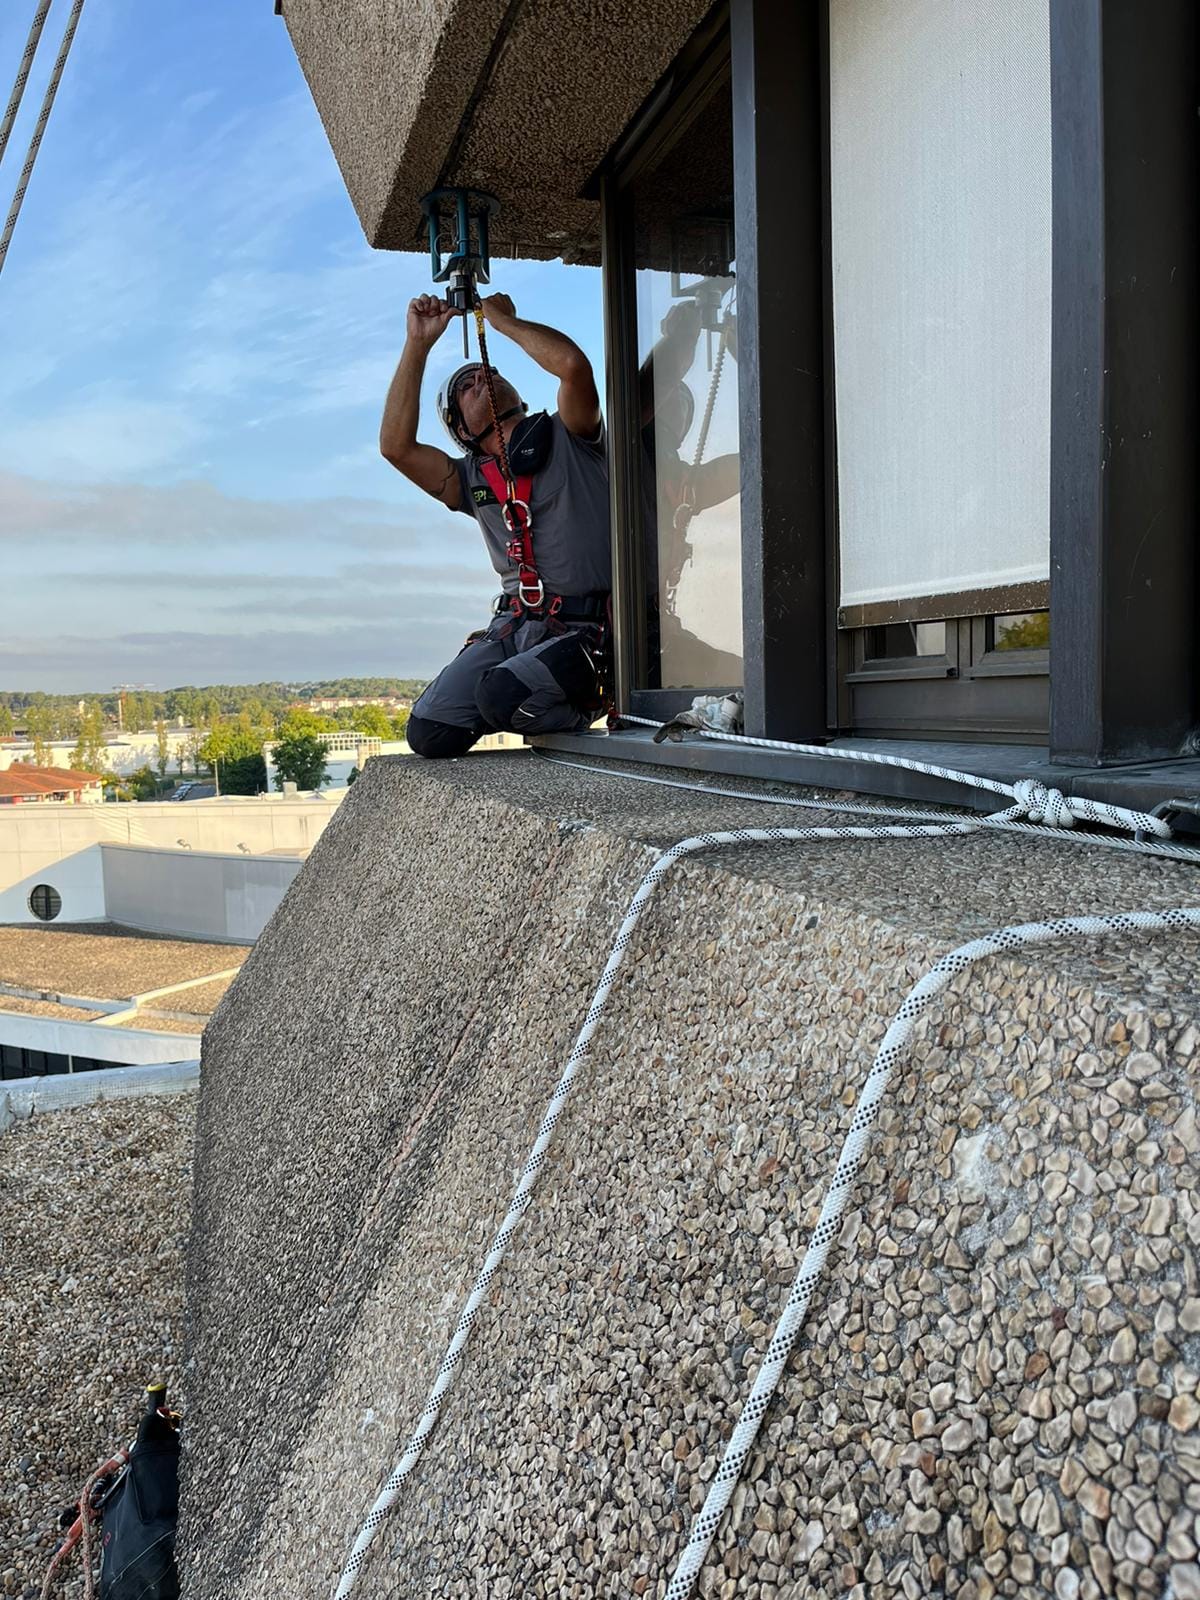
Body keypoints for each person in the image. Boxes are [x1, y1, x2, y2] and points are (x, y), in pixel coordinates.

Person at [380, 291, 611, 758]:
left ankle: (593, 700)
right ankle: (529, 690)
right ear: (461, 428)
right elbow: (396, 448)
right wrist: (418, 344)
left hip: (591, 630)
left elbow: (572, 366)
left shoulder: (572, 434)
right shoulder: (469, 479)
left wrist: (503, 321)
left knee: (504, 696)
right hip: (517, 625)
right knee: (431, 731)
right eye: (466, 387)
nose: (481, 376)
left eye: (489, 372)